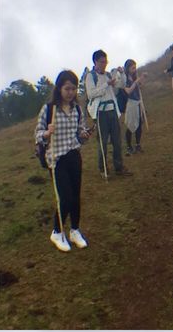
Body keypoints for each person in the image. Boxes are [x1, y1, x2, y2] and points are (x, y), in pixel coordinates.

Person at [35, 69, 94, 252]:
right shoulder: (49, 109)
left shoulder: (76, 108)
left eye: (74, 89)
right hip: (56, 158)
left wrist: (84, 135)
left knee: (76, 196)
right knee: (65, 197)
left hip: (73, 155)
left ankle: (74, 230)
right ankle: (57, 231)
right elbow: (38, 135)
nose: (71, 93)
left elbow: (79, 131)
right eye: (67, 88)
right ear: (59, 88)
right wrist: (46, 132)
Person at [83, 50, 129, 176]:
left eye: (106, 62)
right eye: (102, 62)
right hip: (100, 113)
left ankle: (118, 167)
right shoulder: (90, 76)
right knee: (102, 142)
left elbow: (120, 85)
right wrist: (106, 85)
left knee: (117, 141)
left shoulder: (108, 75)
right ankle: (103, 168)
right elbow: (91, 94)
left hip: (112, 111)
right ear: (95, 62)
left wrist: (122, 73)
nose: (104, 64)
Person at [120, 59, 145, 154]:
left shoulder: (135, 76)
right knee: (130, 125)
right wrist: (136, 82)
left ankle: (138, 145)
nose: (134, 69)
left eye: (135, 67)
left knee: (139, 125)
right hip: (130, 103)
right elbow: (128, 91)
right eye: (132, 68)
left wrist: (141, 79)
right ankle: (129, 146)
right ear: (128, 68)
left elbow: (141, 87)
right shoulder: (124, 79)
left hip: (138, 102)